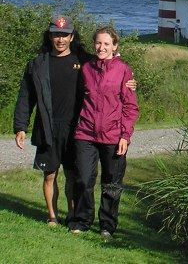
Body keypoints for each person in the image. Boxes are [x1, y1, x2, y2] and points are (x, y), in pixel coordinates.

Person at [14, 16, 87, 227]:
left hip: (76, 128)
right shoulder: (37, 64)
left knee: (73, 176)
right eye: (56, 35)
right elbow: (25, 97)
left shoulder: (83, 61)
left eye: (65, 35)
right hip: (47, 128)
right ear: (50, 36)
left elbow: (108, 70)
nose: (60, 39)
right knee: (49, 175)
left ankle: (72, 215)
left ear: (72, 37)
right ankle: (52, 217)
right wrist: (20, 127)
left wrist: (129, 80)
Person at [67, 27, 139, 239]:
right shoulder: (87, 68)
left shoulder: (123, 70)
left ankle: (107, 225)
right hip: (86, 132)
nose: (102, 47)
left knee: (112, 184)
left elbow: (130, 107)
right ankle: (82, 220)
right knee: (83, 178)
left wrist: (125, 135)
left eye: (107, 44)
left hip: (113, 135)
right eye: (99, 43)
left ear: (115, 46)